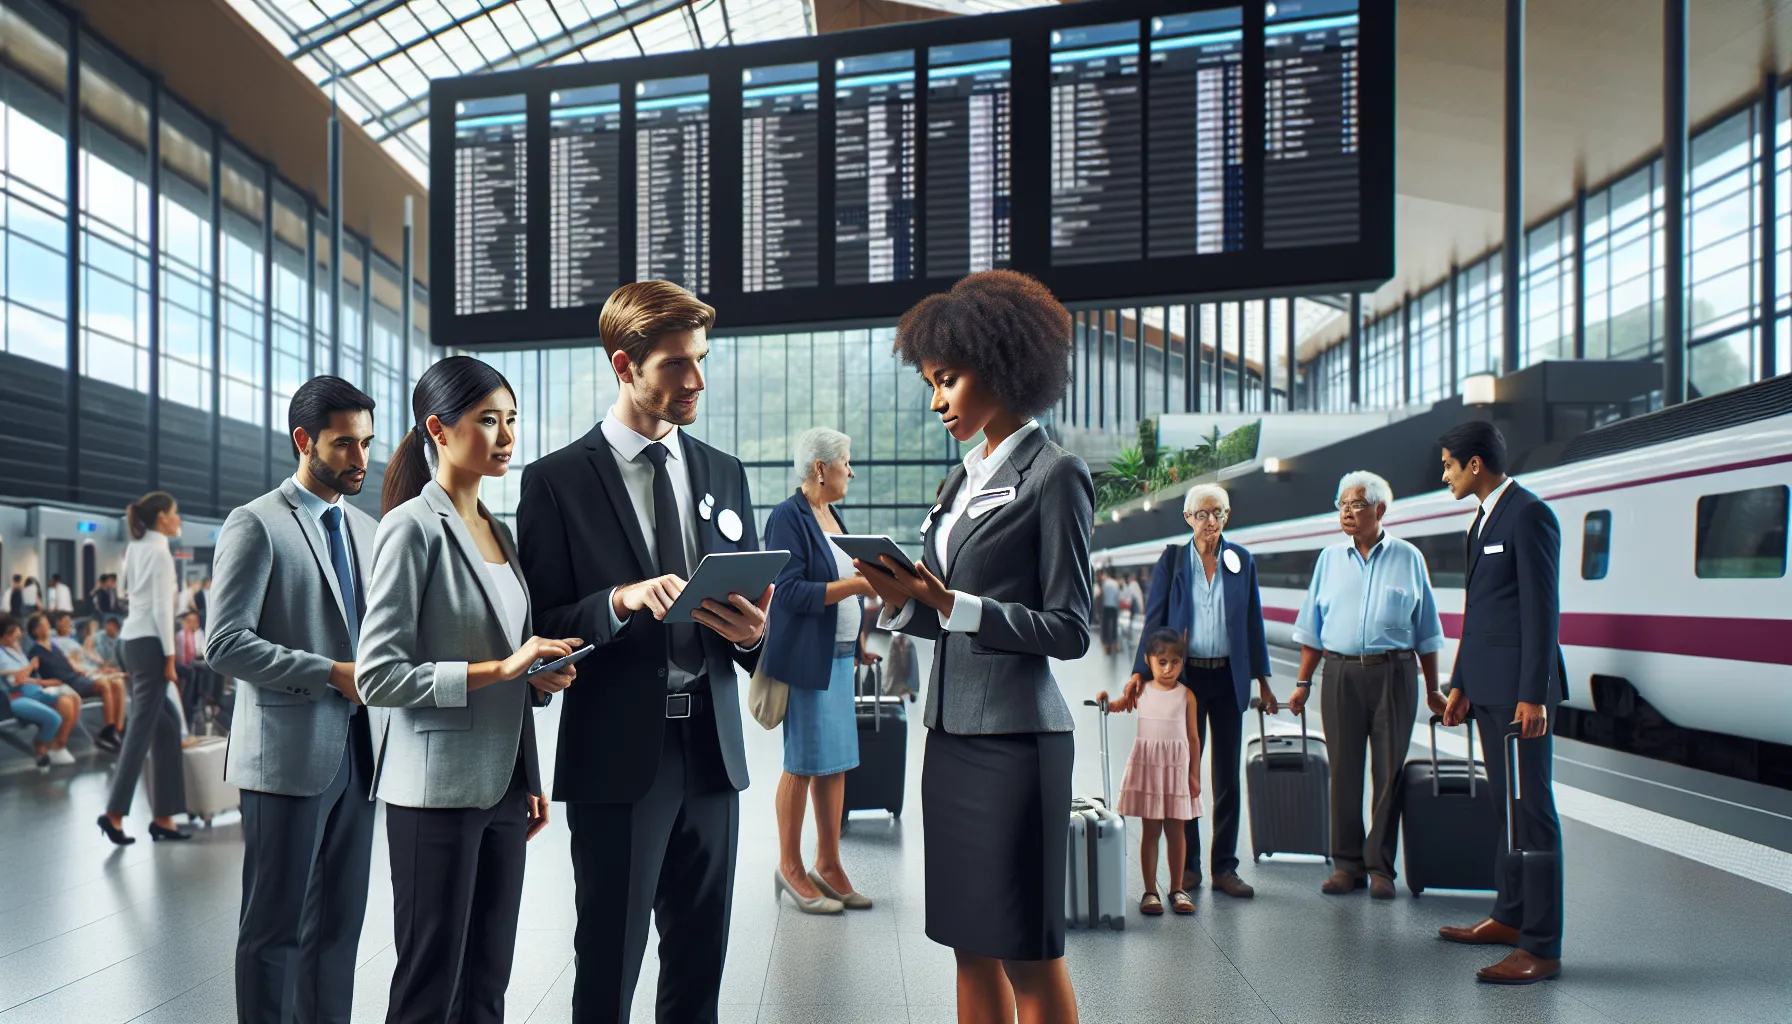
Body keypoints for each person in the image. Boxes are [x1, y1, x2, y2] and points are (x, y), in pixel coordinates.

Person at [517, 280, 771, 1024]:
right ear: (625, 366)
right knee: (610, 960)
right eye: (674, 365)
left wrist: (755, 636)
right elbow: (543, 623)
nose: (695, 380)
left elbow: (756, 614)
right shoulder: (556, 481)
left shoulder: (724, 472)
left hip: (711, 752)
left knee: (700, 963)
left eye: (701, 360)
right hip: (619, 756)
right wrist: (619, 601)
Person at [855, 270, 1091, 1024]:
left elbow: (1070, 628)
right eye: (931, 383)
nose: (937, 402)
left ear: (1001, 363)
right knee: (968, 942)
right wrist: (902, 600)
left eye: (948, 380)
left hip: (1020, 743)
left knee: (1026, 950)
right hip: (950, 738)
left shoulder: (1055, 475)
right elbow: (944, 619)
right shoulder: (958, 483)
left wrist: (949, 601)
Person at [358, 356, 578, 1024]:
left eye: (512, 420)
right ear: (440, 429)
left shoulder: (498, 532)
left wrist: (529, 765)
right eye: (488, 421)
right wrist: (508, 669)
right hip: (434, 791)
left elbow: (509, 659)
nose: (507, 436)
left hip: (504, 787)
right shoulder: (410, 527)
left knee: (487, 982)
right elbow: (377, 676)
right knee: (430, 985)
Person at [205, 375, 382, 1024]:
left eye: (366, 443)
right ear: (303, 441)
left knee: (338, 934)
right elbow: (223, 643)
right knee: (275, 933)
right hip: (285, 758)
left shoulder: (367, 531)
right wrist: (330, 672)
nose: (361, 459)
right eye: (344, 445)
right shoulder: (255, 524)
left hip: (362, 756)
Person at [1433, 421, 1567, 984]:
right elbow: (1478, 612)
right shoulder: (1481, 522)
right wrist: (1460, 681)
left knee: (1531, 815)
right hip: (1487, 691)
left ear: (1475, 465)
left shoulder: (1529, 514)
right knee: (1506, 812)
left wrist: (1532, 695)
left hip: (1519, 699)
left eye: (1447, 465)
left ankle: (1541, 945)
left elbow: (1542, 612)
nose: (1444, 475)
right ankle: (1509, 918)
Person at [1287, 471, 1447, 900]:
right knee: (1343, 771)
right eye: (1341, 505)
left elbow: (1427, 631)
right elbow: (1312, 630)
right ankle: (1347, 865)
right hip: (1338, 674)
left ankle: (1380, 867)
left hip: (1394, 673)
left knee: (1388, 771)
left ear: (1379, 509)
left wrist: (1433, 688)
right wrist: (1302, 682)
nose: (1346, 513)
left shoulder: (1409, 558)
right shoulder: (1328, 560)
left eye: (1355, 505)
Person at [1122, 483, 1277, 900]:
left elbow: (1253, 621)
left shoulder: (1241, 559)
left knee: (1227, 775)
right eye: (1204, 514)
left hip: (1228, 679)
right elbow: (1154, 619)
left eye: (1220, 513)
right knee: (1183, 774)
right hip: (1184, 680)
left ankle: (1225, 867)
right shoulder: (1173, 560)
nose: (1213, 521)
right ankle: (1188, 866)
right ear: (1188, 518)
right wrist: (1141, 672)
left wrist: (1262, 678)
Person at [764, 426, 878, 915]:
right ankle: (790, 867)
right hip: (807, 659)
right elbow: (788, 592)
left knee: (835, 765)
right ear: (820, 468)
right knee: (804, 763)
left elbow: (846, 583)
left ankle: (828, 864)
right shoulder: (788, 518)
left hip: (840, 655)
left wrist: (862, 642)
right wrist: (856, 585)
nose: (850, 471)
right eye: (845, 462)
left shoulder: (834, 515)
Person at [100, 491, 190, 845]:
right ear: (161, 518)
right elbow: (162, 610)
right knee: (139, 732)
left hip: (129, 640)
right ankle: (113, 814)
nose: (179, 518)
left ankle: (163, 819)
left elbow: (125, 592)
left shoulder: (135, 549)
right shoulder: (160, 553)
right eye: (175, 512)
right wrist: (170, 658)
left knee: (166, 729)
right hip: (150, 645)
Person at [1100, 628, 1202, 917]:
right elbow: (1117, 706)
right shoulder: (1141, 690)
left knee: (1177, 830)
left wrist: (1194, 774)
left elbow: (1194, 738)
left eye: (1175, 662)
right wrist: (1106, 700)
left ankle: (1177, 888)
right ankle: (1150, 891)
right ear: (1148, 660)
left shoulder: (1187, 695)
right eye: (1162, 662)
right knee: (1151, 831)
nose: (1169, 668)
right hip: (1150, 769)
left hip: (1176, 771)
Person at [27, 612, 126, 752]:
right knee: (104, 684)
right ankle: (109, 729)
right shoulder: (35, 652)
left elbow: (69, 664)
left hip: (76, 677)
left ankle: (118, 729)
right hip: (67, 683)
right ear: (36, 630)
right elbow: (32, 675)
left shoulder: (53, 647)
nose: (48, 626)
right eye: (44, 624)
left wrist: (81, 670)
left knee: (116, 684)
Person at [1, 614, 81, 769]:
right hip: (17, 697)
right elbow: (18, 679)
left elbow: (26, 677)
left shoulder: (16, 650)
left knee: (70, 699)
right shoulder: (2, 654)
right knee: (54, 718)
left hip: (34, 692)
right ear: (6, 635)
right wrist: (31, 667)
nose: (19, 634)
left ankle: (59, 744)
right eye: (16, 632)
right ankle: (41, 746)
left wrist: (40, 681)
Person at [1098, 572, 1121, 654]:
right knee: (1114, 624)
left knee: (1105, 625)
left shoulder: (1105, 583)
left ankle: (1106, 642)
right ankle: (1114, 642)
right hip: (1114, 606)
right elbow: (1118, 596)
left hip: (1106, 606)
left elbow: (1102, 594)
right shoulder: (1116, 583)